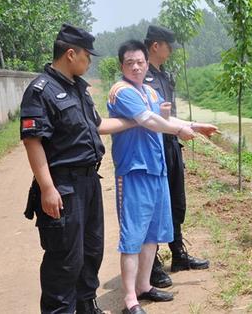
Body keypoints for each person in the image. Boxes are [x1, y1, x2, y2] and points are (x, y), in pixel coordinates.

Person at [20, 24, 134, 314]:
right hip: (63, 187)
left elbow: (97, 126)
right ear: (71, 54)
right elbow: (33, 141)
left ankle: (86, 306)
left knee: (91, 250)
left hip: (89, 183)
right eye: (87, 55)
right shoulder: (41, 91)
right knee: (65, 259)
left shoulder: (80, 89)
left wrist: (138, 120)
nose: (90, 61)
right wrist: (47, 188)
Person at [107, 40, 216, 314]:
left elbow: (166, 119)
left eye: (140, 62)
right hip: (134, 171)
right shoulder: (122, 91)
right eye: (129, 62)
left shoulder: (150, 92)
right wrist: (178, 131)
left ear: (147, 63)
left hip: (156, 170)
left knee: (152, 234)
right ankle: (130, 298)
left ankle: (144, 286)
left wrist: (193, 126)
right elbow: (150, 121)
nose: (135, 66)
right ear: (122, 66)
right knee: (133, 236)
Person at [143, 25, 214, 288]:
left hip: (172, 145)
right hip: (154, 149)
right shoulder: (143, 78)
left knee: (176, 201)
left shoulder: (164, 75)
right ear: (155, 46)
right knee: (155, 206)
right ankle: (152, 265)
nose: (171, 51)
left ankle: (178, 254)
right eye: (168, 46)